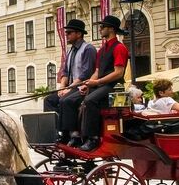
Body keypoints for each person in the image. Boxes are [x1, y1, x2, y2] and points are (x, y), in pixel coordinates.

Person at [77, 15, 130, 151]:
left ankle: (93, 138)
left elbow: (118, 72)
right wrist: (88, 83)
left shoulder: (119, 48)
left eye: (102, 27)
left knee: (90, 101)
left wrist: (97, 81)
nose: (100, 29)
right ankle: (78, 136)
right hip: (102, 85)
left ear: (111, 29)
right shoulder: (102, 49)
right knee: (80, 100)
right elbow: (97, 71)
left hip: (114, 87)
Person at [44, 19, 97, 146]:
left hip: (83, 87)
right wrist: (62, 87)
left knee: (65, 100)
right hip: (71, 87)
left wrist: (69, 88)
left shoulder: (88, 49)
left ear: (79, 34)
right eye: (66, 33)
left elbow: (86, 73)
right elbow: (65, 72)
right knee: (49, 100)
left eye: (69, 33)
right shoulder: (70, 51)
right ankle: (58, 131)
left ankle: (74, 135)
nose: (66, 35)